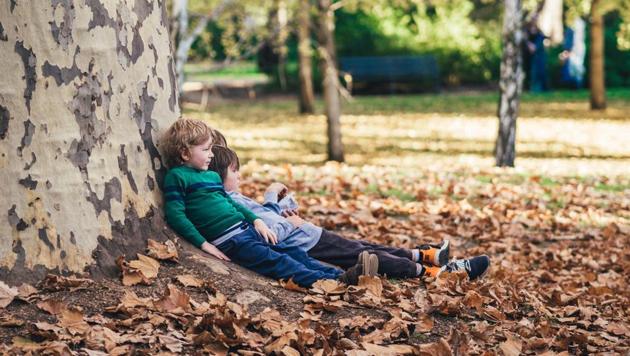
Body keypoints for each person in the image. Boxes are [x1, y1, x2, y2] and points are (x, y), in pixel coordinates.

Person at [208, 144, 491, 281]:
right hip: (304, 240)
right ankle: (438, 273)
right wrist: (276, 204)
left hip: (306, 234)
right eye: (235, 171)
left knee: (364, 246)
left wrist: (281, 209)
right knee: (366, 256)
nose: (240, 176)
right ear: (220, 175)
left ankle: (425, 255)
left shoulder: (230, 197)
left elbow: (267, 220)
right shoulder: (229, 201)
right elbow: (269, 229)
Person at [160, 118, 378, 287]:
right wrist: (203, 244)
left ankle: (342, 275)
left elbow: (232, 204)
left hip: (248, 230)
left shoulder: (211, 176)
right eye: (205, 150)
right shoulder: (178, 177)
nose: (211, 155)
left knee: (293, 253)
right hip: (232, 241)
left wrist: (257, 221)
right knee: (278, 262)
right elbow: (176, 215)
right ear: (184, 152)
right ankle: (330, 283)